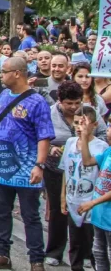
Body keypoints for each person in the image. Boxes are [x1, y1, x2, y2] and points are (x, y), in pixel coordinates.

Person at [0, 57, 55, 271]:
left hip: (26, 169)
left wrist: (39, 165)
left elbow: (44, 135)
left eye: (4, 72)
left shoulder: (37, 102)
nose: (1, 75)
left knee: (30, 216)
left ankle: (36, 260)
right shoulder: (3, 95)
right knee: (1, 212)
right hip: (1, 167)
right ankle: (1, 253)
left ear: (17, 73)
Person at [45, 80, 108, 266]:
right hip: (59, 168)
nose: (74, 107)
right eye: (69, 103)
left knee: (88, 222)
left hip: (89, 174)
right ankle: (55, 252)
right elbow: (40, 136)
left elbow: (102, 135)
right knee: (58, 210)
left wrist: (87, 139)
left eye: (77, 102)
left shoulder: (88, 113)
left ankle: (90, 253)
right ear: (60, 102)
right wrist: (51, 148)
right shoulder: (50, 114)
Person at [60, 106, 108, 271]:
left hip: (93, 204)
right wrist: (62, 198)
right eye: (76, 123)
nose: (79, 128)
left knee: (95, 246)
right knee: (75, 242)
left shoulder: (102, 147)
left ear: (94, 125)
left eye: (83, 124)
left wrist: (95, 202)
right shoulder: (70, 142)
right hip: (73, 200)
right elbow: (67, 170)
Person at [77, 113, 111, 271]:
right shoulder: (108, 152)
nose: (108, 131)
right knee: (99, 253)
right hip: (100, 216)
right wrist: (84, 136)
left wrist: (92, 202)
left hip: (107, 216)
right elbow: (87, 161)